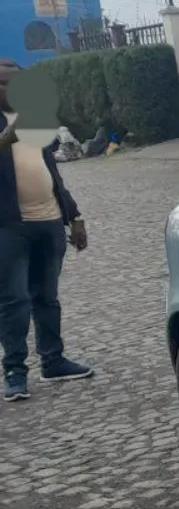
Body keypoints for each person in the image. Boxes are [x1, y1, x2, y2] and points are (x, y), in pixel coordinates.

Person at [0, 58, 92, 402]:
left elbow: (51, 171)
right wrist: (7, 137)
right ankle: (15, 372)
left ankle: (53, 361)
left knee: (46, 298)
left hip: (49, 221)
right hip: (9, 227)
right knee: (14, 301)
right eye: (4, 84)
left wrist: (74, 215)